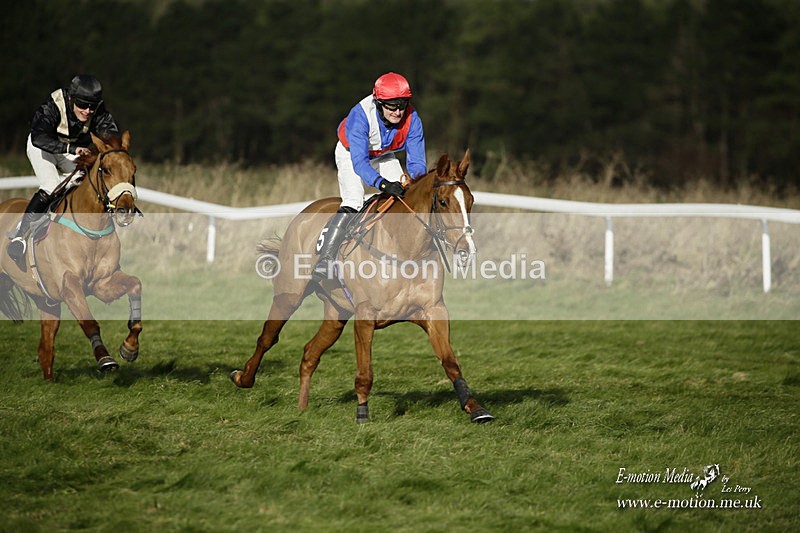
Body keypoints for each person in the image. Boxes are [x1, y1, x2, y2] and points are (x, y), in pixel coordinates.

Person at [313, 72, 427, 282]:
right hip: (351, 155)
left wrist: (419, 184)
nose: (398, 111)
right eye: (392, 105)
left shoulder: (413, 118)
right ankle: (326, 259)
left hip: (383, 155)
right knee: (354, 201)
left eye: (402, 104)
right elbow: (360, 163)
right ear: (379, 102)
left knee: (406, 195)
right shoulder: (360, 115)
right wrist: (383, 184)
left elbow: (417, 162)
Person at [6, 74, 119, 268]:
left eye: (92, 106)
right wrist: (71, 149)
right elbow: (38, 138)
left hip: (69, 148)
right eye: (83, 106)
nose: (88, 111)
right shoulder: (52, 106)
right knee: (52, 185)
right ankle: (19, 236)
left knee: (85, 182)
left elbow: (112, 134)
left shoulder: (96, 109)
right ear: (71, 99)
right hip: (42, 147)